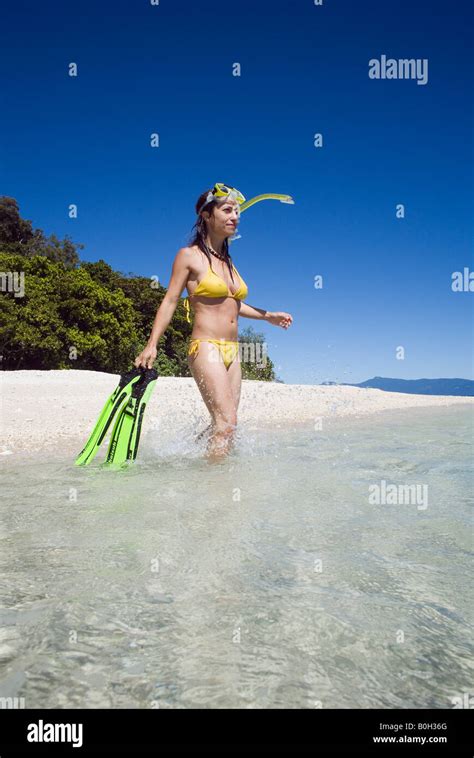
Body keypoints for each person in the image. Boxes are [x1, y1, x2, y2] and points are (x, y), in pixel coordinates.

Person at [134, 184, 293, 460]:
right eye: (227, 210)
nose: (235, 217)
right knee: (226, 423)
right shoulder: (189, 256)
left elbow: (233, 303)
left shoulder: (229, 262)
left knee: (226, 425)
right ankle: (216, 494)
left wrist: (268, 316)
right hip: (205, 347)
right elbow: (170, 300)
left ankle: (193, 466)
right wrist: (152, 345)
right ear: (207, 215)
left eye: (237, 212)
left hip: (234, 351)